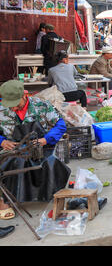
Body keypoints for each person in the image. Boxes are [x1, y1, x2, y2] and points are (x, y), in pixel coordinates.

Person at [0, 80, 70, 214]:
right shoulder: (1, 110)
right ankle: (7, 199)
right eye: (10, 106)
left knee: (49, 163)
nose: (13, 108)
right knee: (7, 164)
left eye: (16, 104)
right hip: (14, 147)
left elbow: (60, 125)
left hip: (41, 146)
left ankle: (47, 194)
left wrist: (45, 140)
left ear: (24, 95)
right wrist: (2, 141)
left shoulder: (41, 105)